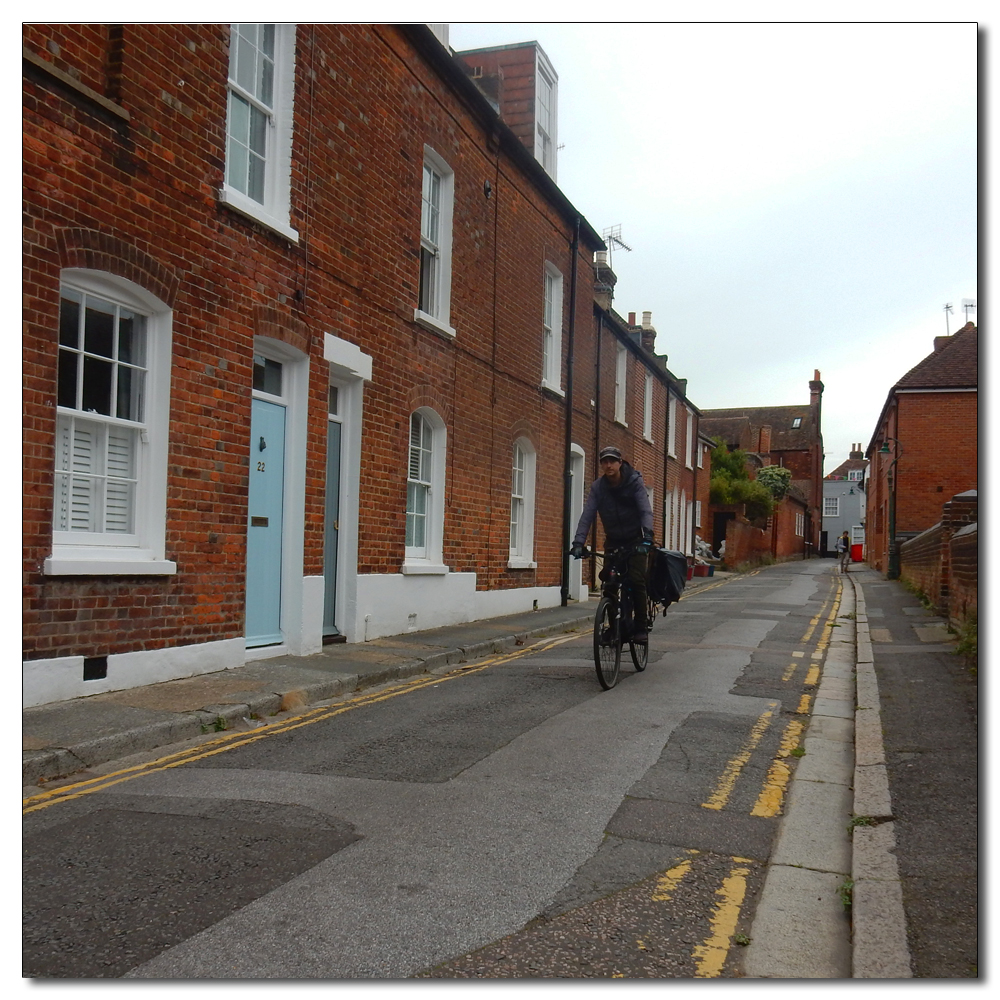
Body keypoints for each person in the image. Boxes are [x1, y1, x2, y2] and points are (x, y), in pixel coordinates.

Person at [570, 446, 655, 638]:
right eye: (604, 462)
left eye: (612, 461)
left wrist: (647, 537)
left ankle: (641, 627)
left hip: (636, 540)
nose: (608, 465)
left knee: (636, 580)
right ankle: (613, 627)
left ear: (620, 463)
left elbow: (645, 511)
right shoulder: (598, 487)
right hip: (614, 540)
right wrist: (578, 543)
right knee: (608, 584)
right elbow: (587, 515)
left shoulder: (634, 482)